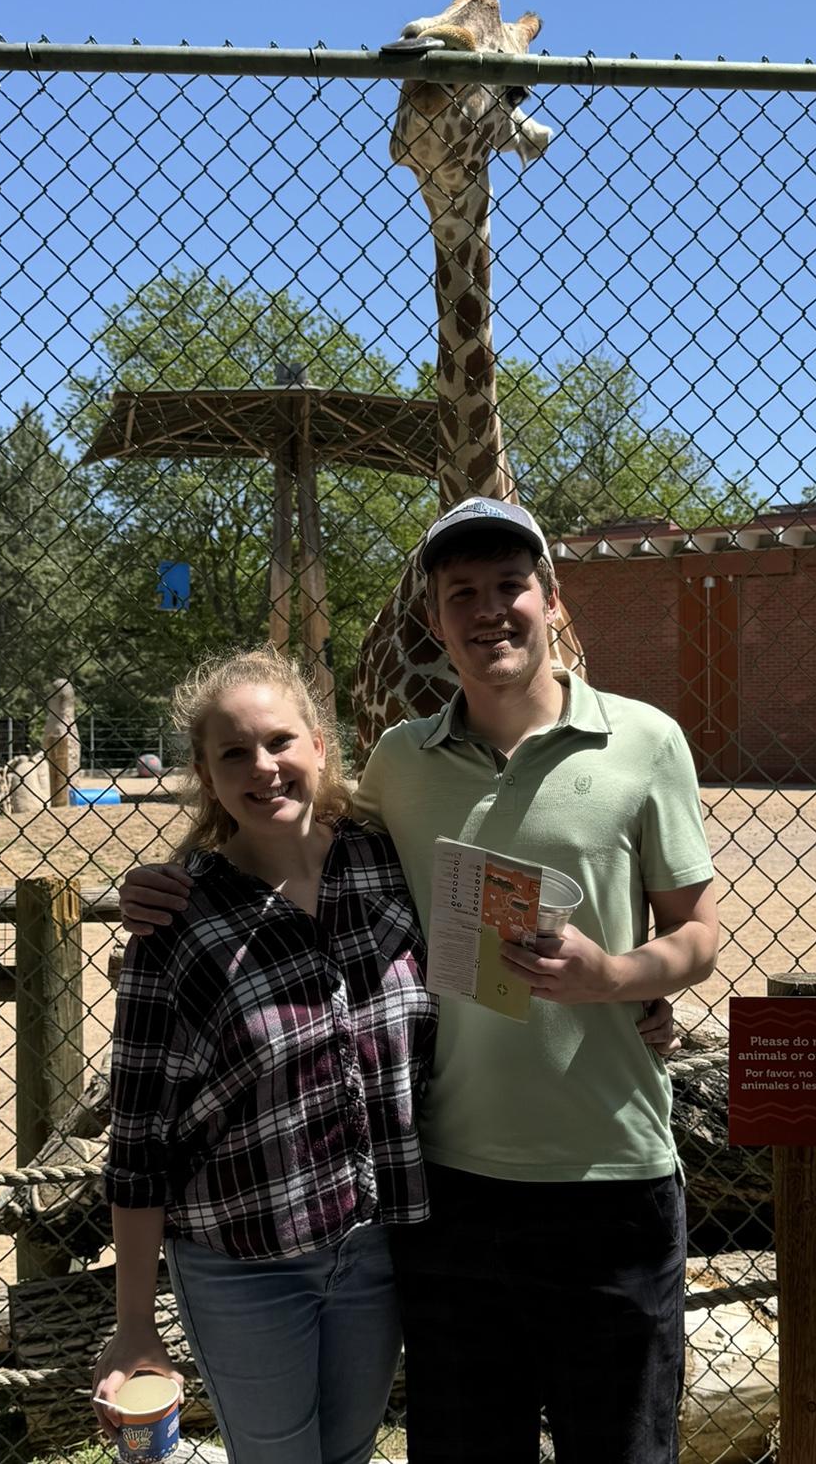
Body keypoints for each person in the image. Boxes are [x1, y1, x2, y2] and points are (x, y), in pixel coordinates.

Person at [121, 497, 719, 1463]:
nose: (490, 612)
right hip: (447, 1188)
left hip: (612, 1173)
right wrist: (164, 881)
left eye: (510, 588)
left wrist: (621, 978)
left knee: (622, 1448)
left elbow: (696, 936)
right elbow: (281, 833)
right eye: (462, 595)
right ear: (435, 622)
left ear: (552, 601)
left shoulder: (646, 742)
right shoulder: (403, 762)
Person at [92, 647, 437, 1464]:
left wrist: (631, 1001)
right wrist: (135, 1325)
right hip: (245, 1262)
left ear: (321, 746)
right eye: (234, 752)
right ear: (206, 776)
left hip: (378, 1243)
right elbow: (139, 1143)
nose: (263, 767)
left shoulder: (387, 864)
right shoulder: (176, 923)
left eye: (280, 741)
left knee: (350, 1451)